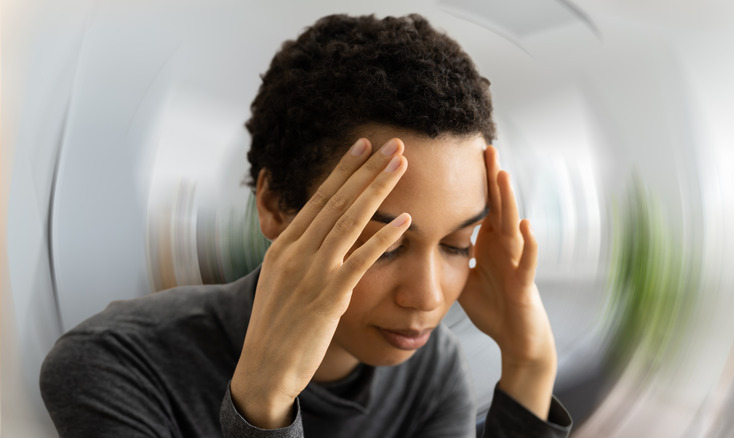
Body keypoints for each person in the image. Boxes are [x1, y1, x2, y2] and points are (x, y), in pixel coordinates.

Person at [40, 13, 572, 437]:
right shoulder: (114, 365)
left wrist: (529, 364)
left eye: (458, 245)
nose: (428, 296)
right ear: (274, 204)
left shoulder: (430, 372)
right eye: (380, 245)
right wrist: (262, 404)